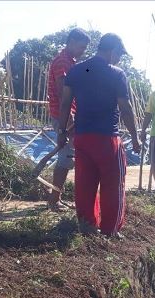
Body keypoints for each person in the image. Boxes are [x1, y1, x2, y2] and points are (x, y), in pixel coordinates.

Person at [57, 33, 140, 236]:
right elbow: (125, 109)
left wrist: (61, 131)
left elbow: (65, 102)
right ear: (113, 51)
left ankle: (87, 226)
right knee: (113, 185)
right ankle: (110, 230)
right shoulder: (116, 74)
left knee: (85, 185)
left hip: (83, 138)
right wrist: (135, 137)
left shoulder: (79, 69)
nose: (119, 59)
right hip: (107, 139)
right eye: (119, 54)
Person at [46, 28, 90, 211]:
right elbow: (64, 94)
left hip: (66, 115)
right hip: (63, 116)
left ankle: (56, 197)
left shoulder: (71, 62)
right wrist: (69, 122)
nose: (82, 51)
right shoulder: (63, 61)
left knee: (67, 156)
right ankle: (54, 200)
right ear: (71, 42)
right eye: (81, 47)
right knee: (66, 157)